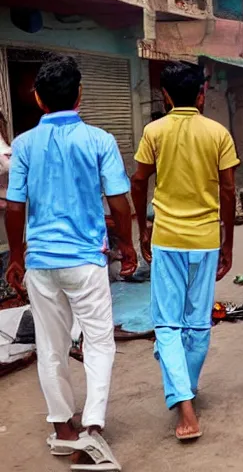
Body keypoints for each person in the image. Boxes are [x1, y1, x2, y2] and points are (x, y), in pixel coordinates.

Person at [5, 55, 136, 470]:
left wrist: (17, 255)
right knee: (99, 342)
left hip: (41, 262)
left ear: (40, 100)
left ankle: (63, 428)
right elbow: (119, 200)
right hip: (85, 262)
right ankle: (93, 428)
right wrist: (128, 245)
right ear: (80, 95)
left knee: (51, 346)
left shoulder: (23, 144)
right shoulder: (100, 141)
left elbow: (14, 205)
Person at [131, 61, 239, 441]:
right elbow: (228, 190)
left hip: (168, 236)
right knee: (196, 323)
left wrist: (144, 226)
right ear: (201, 94)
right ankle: (185, 392)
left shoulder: (154, 130)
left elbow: (140, 178)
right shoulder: (218, 133)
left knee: (167, 323)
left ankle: (184, 401)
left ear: (164, 95)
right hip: (206, 238)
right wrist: (227, 240)